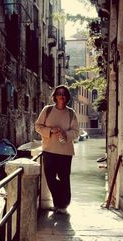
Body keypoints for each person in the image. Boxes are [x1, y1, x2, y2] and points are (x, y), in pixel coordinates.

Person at [35, 85, 79, 214]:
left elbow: (76, 132)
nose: (61, 96)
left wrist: (66, 135)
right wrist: (50, 130)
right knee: (50, 178)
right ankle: (58, 202)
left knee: (64, 178)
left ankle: (63, 206)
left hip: (65, 152)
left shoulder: (71, 113)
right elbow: (37, 126)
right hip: (49, 150)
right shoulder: (47, 110)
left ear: (67, 97)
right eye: (59, 93)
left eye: (64, 94)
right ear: (54, 96)